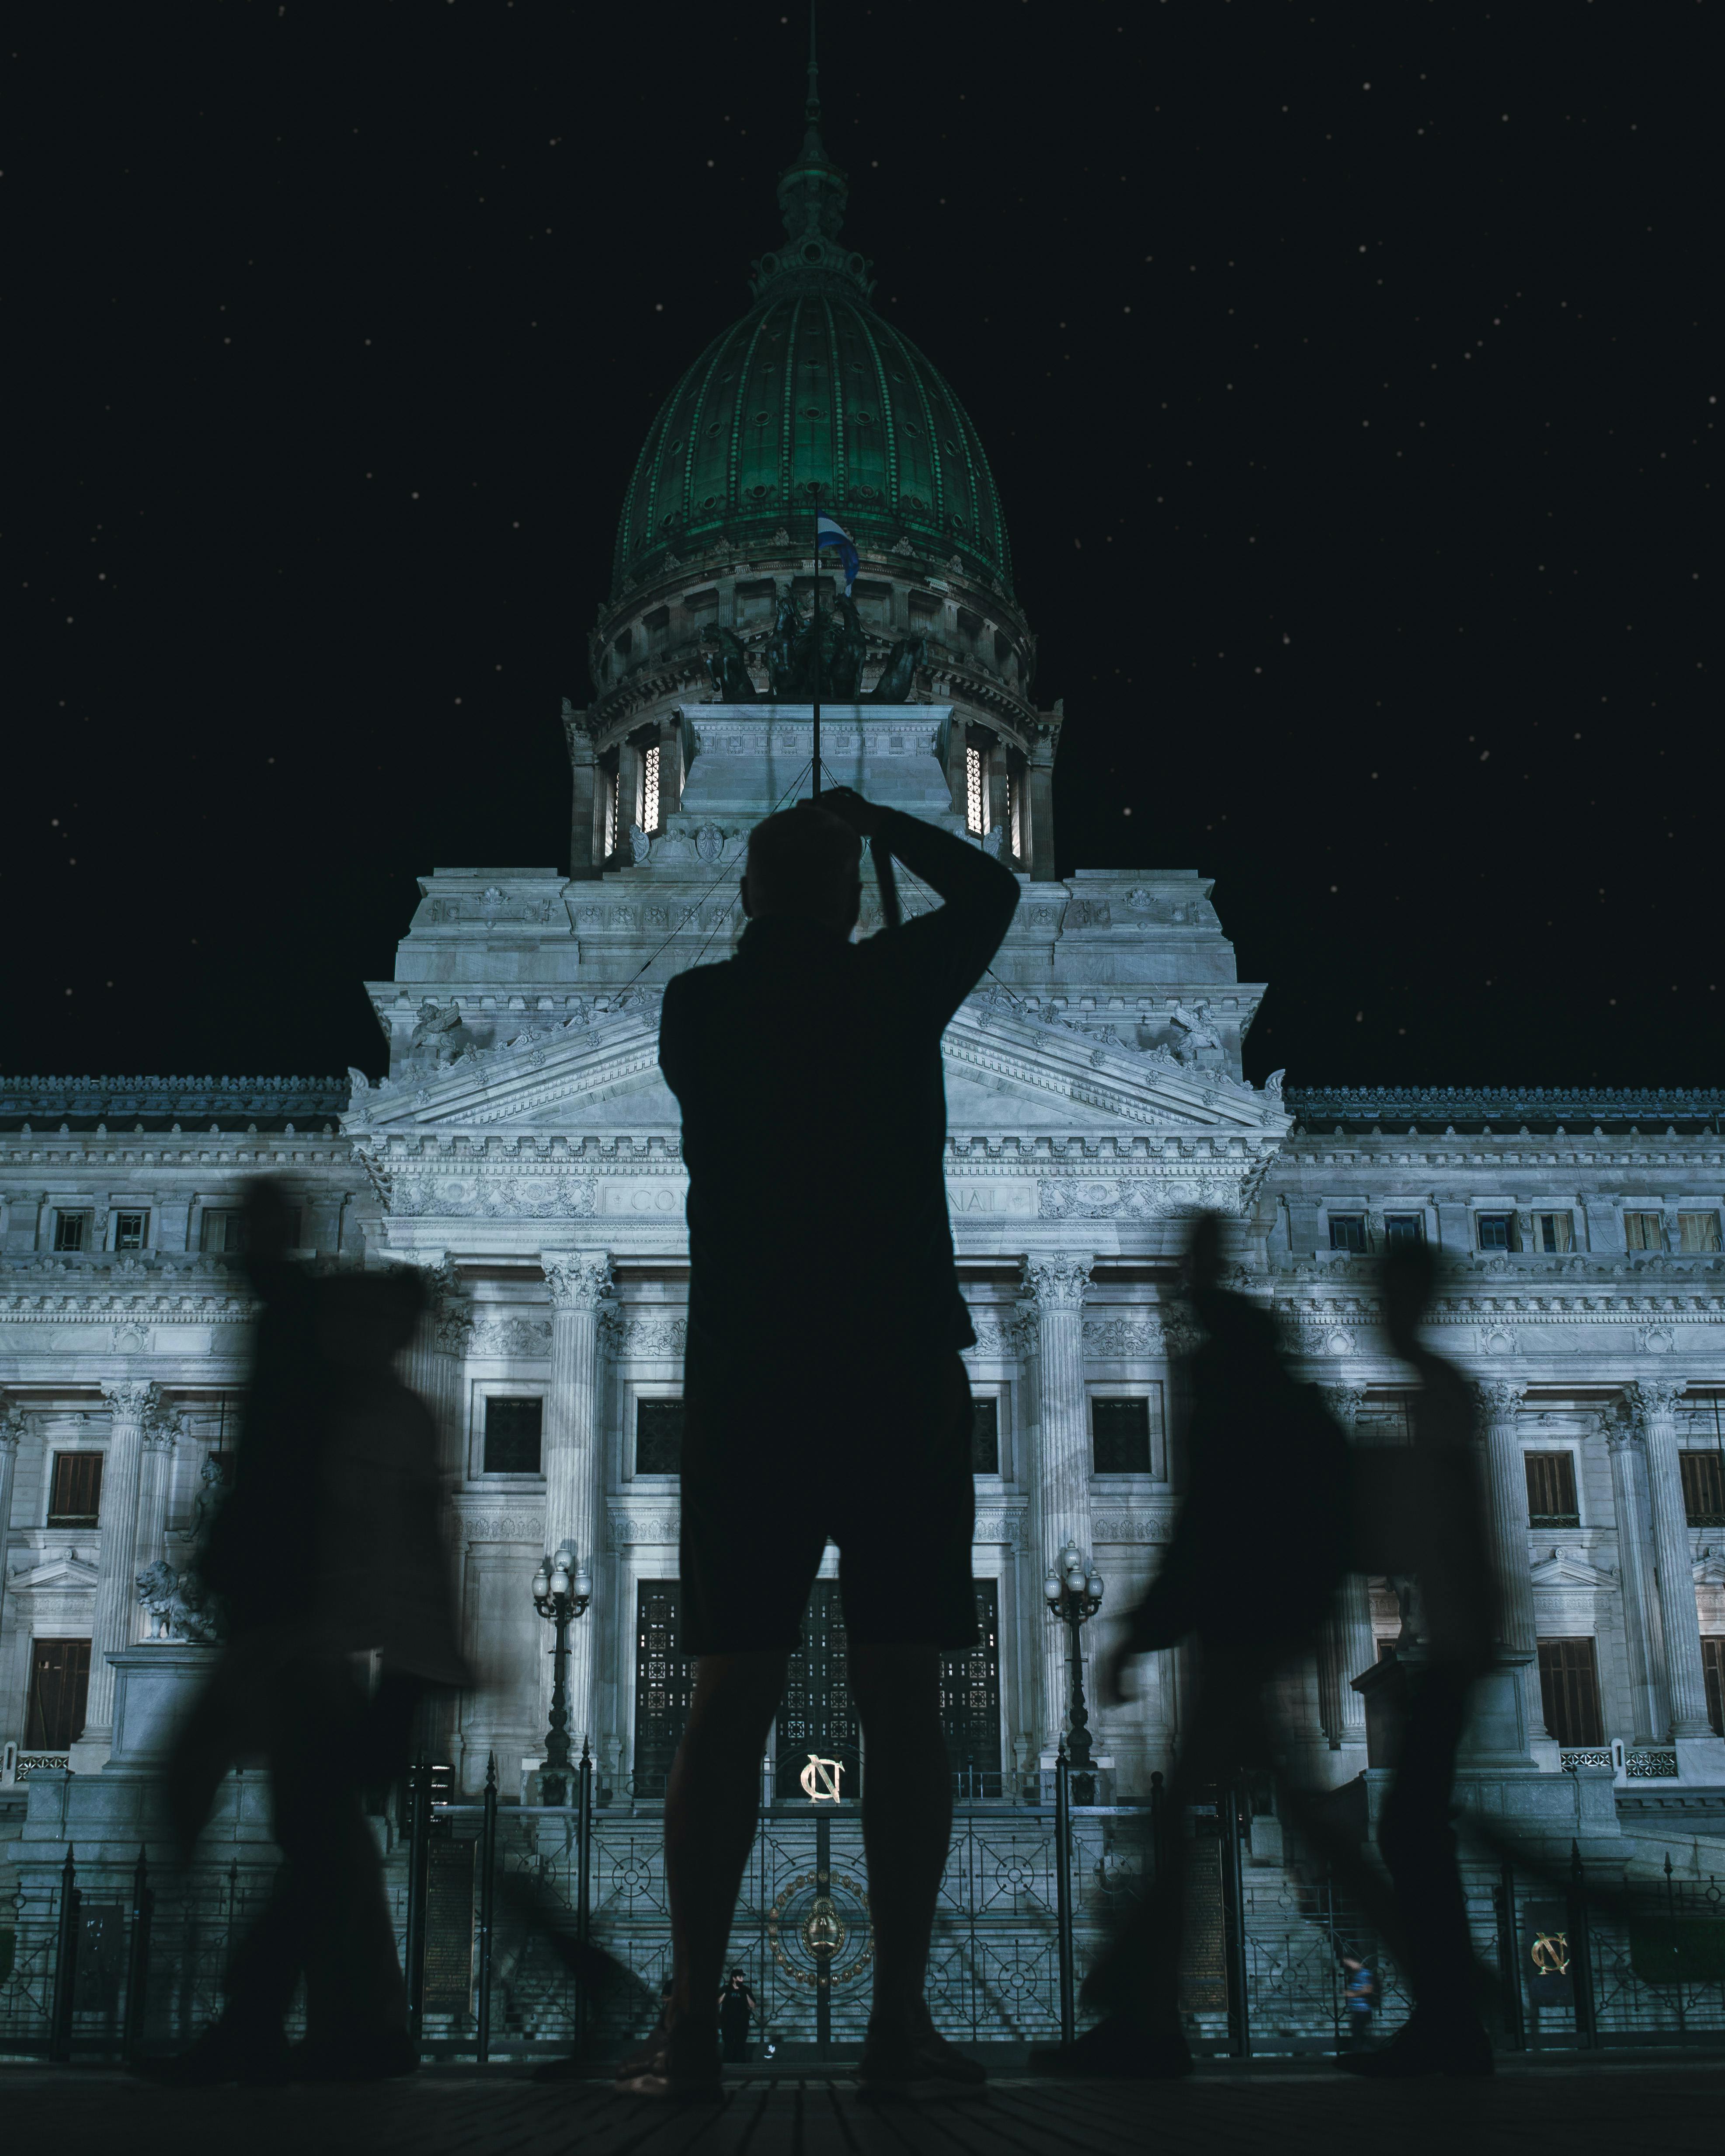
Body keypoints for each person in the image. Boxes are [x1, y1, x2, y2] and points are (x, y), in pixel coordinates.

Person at [623, 786, 1018, 2098]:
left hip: (748, 1378)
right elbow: (995, 898)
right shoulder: (895, 988)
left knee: (727, 1695)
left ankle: (687, 2018)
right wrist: (888, 822)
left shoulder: (699, 1009)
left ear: (744, 898)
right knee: (904, 1700)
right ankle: (897, 2021)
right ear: (850, 900)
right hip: (896, 1369)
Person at [145, 1182, 467, 2085]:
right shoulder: (349, 1378)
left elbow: (379, 1537)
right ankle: (355, 2025)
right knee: (324, 1836)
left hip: (299, 1637)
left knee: (307, 1832)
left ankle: (274, 2015)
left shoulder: (338, 1373)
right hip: (305, 1636)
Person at [1033, 1213, 1351, 2077]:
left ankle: (1143, 2014)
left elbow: (1212, 1512)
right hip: (1255, 1623)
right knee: (1224, 1825)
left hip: (1244, 1626)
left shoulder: (1229, 1359)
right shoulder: (1247, 1351)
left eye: (1186, 1258)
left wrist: (1141, 1632)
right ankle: (1146, 2012)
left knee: (1205, 1826)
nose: (1173, 1273)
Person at [1336, 1237, 1497, 2079]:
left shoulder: (1440, 1389)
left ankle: (1453, 2014)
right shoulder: (1438, 1386)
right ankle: (1455, 2006)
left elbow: (1451, 1523)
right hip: (1447, 1642)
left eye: (1386, 1296)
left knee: (1410, 1829)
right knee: (1416, 1828)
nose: (1377, 1313)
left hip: (1451, 1645)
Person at [719, 1968, 760, 2063]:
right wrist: (725, 1994)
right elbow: (718, 2002)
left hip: (742, 2023)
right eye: (740, 1977)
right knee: (728, 2044)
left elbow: (753, 2006)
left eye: (742, 1977)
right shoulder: (726, 1989)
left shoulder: (746, 1990)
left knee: (740, 2044)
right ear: (734, 1978)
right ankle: (728, 2064)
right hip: (728, 2022)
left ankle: (741, 2064)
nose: (742, 1979)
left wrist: (746, 1996)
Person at [1342, 1954, 1377, 2052]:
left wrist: (1353, 1994)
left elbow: (1368, 1989)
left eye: (1348, 1962)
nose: (1348, 1966)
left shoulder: (1364, 1973)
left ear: (1355, 1961)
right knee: (1357, 2033)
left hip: (1363, 2010)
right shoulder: (1358, 1974)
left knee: (1357, 2034)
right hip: (1359, 2010)